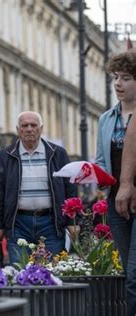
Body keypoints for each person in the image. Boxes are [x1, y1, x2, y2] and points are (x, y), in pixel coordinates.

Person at [0, 111, 78, 264]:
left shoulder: (57, 153)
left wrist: (73, 221)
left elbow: (70, 189)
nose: (29, 129)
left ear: (41, 128)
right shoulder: (5, 155)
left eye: (33, 125)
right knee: (20, 271)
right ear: (18, 130)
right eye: (25, 125)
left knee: (52, 271)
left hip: (51, 223)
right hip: (18, 223)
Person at [102, 49, 136, 316]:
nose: (118, 84)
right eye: (116, 77)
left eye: (126, 77)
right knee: (128, 270)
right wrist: (93, 174)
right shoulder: (106, 118)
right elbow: (102, 160)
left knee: (135, 273)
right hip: (115, 201)